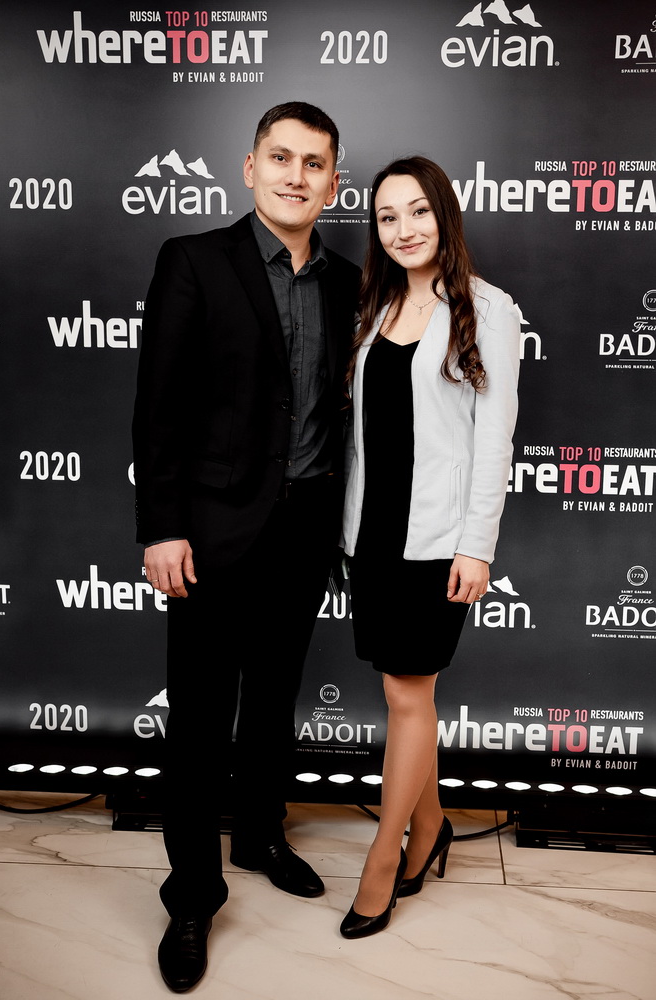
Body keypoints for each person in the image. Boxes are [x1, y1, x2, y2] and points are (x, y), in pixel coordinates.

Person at [132, 102, 360, 990]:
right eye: (280, 157)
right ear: (249, 167)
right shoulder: (193, 260)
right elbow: (158, 405)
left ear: (332, 182)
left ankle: (260, 833)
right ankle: (192, 895)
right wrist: (162, 526)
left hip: (304, 529)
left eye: (314, 163)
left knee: (272, 700)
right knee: (198, 719)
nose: (295, 175)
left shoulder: (348, 281)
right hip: (211, 531)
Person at [340, 156, 520, 938]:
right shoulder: (374, 304)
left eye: (417, 211)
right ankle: (431, 825)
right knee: (404, 696)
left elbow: (493, 440)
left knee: (408, 696)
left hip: (438, 538)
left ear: (444, 214)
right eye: (387, 216)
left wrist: (475, 546)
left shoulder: (488, 309)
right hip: (371, 532)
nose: (403, 229)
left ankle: (385, 860)